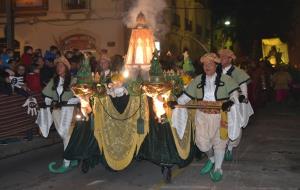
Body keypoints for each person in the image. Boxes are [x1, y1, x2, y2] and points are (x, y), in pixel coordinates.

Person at [169, 53, 241, 182]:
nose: (207, 67)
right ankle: (211, 159)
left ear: (216, 66)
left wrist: (230, 102)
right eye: (204, 65)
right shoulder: (197, 80)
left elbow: (235, 94)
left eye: (210, 64)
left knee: (220, 143)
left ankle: (218, 168)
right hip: (202, 116)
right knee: (202, 143)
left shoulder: (227, 79)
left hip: (220, 116)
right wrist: (177, 103)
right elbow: (187, 97)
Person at [36, 56, 80, 173]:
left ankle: (66, 163)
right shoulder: (54, 80)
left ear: (66, 68)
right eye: (57, 66)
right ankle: (73, 158)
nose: (58, 68)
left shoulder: (73, 80)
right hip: (56, 111)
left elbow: (81, 95)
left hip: (69, 111)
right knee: (64, 135)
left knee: (67, 135)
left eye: (61, 66)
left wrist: (75, 100)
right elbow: (46, 94)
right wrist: (47, 101)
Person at [218, 49, 254, 161]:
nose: (221, 59)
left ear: (230, 59)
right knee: (220, 124)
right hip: (220, 102)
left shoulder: (238, 72)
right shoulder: (217, 71)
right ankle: (220, 147)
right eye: (220, 57)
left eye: (224, 57)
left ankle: (230, 147)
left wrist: (243, 97)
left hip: (235, 103)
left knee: (234, 124)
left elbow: (243, 88)